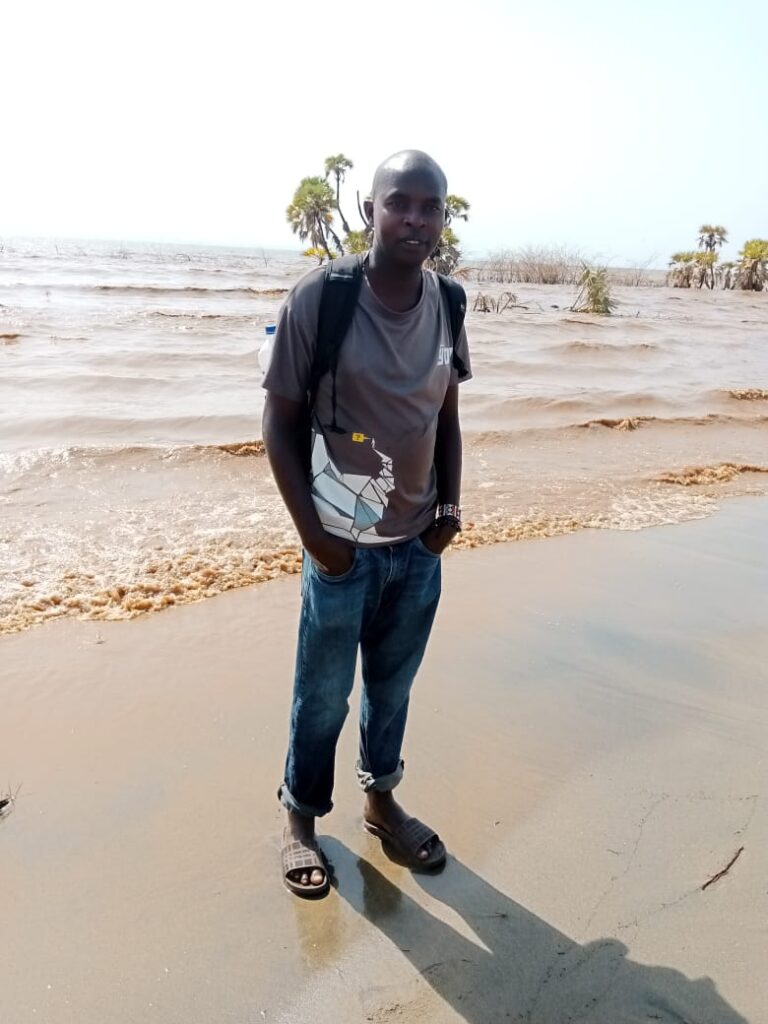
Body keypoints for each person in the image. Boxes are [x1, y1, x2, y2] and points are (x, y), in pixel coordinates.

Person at [262, 149, 472, 897]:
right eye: (399, 202)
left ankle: (381, 800)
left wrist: (447, 511)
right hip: (340, 547)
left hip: (416, 547)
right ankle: (300, 822)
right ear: (372, 210)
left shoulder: (448, 301)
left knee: (394, 686)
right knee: (321, 693)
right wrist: (317, 541)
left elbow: (445, 414)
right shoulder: (322, 297)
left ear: (443, 218)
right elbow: (279, 423)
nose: (414, 218)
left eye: (429, 206)